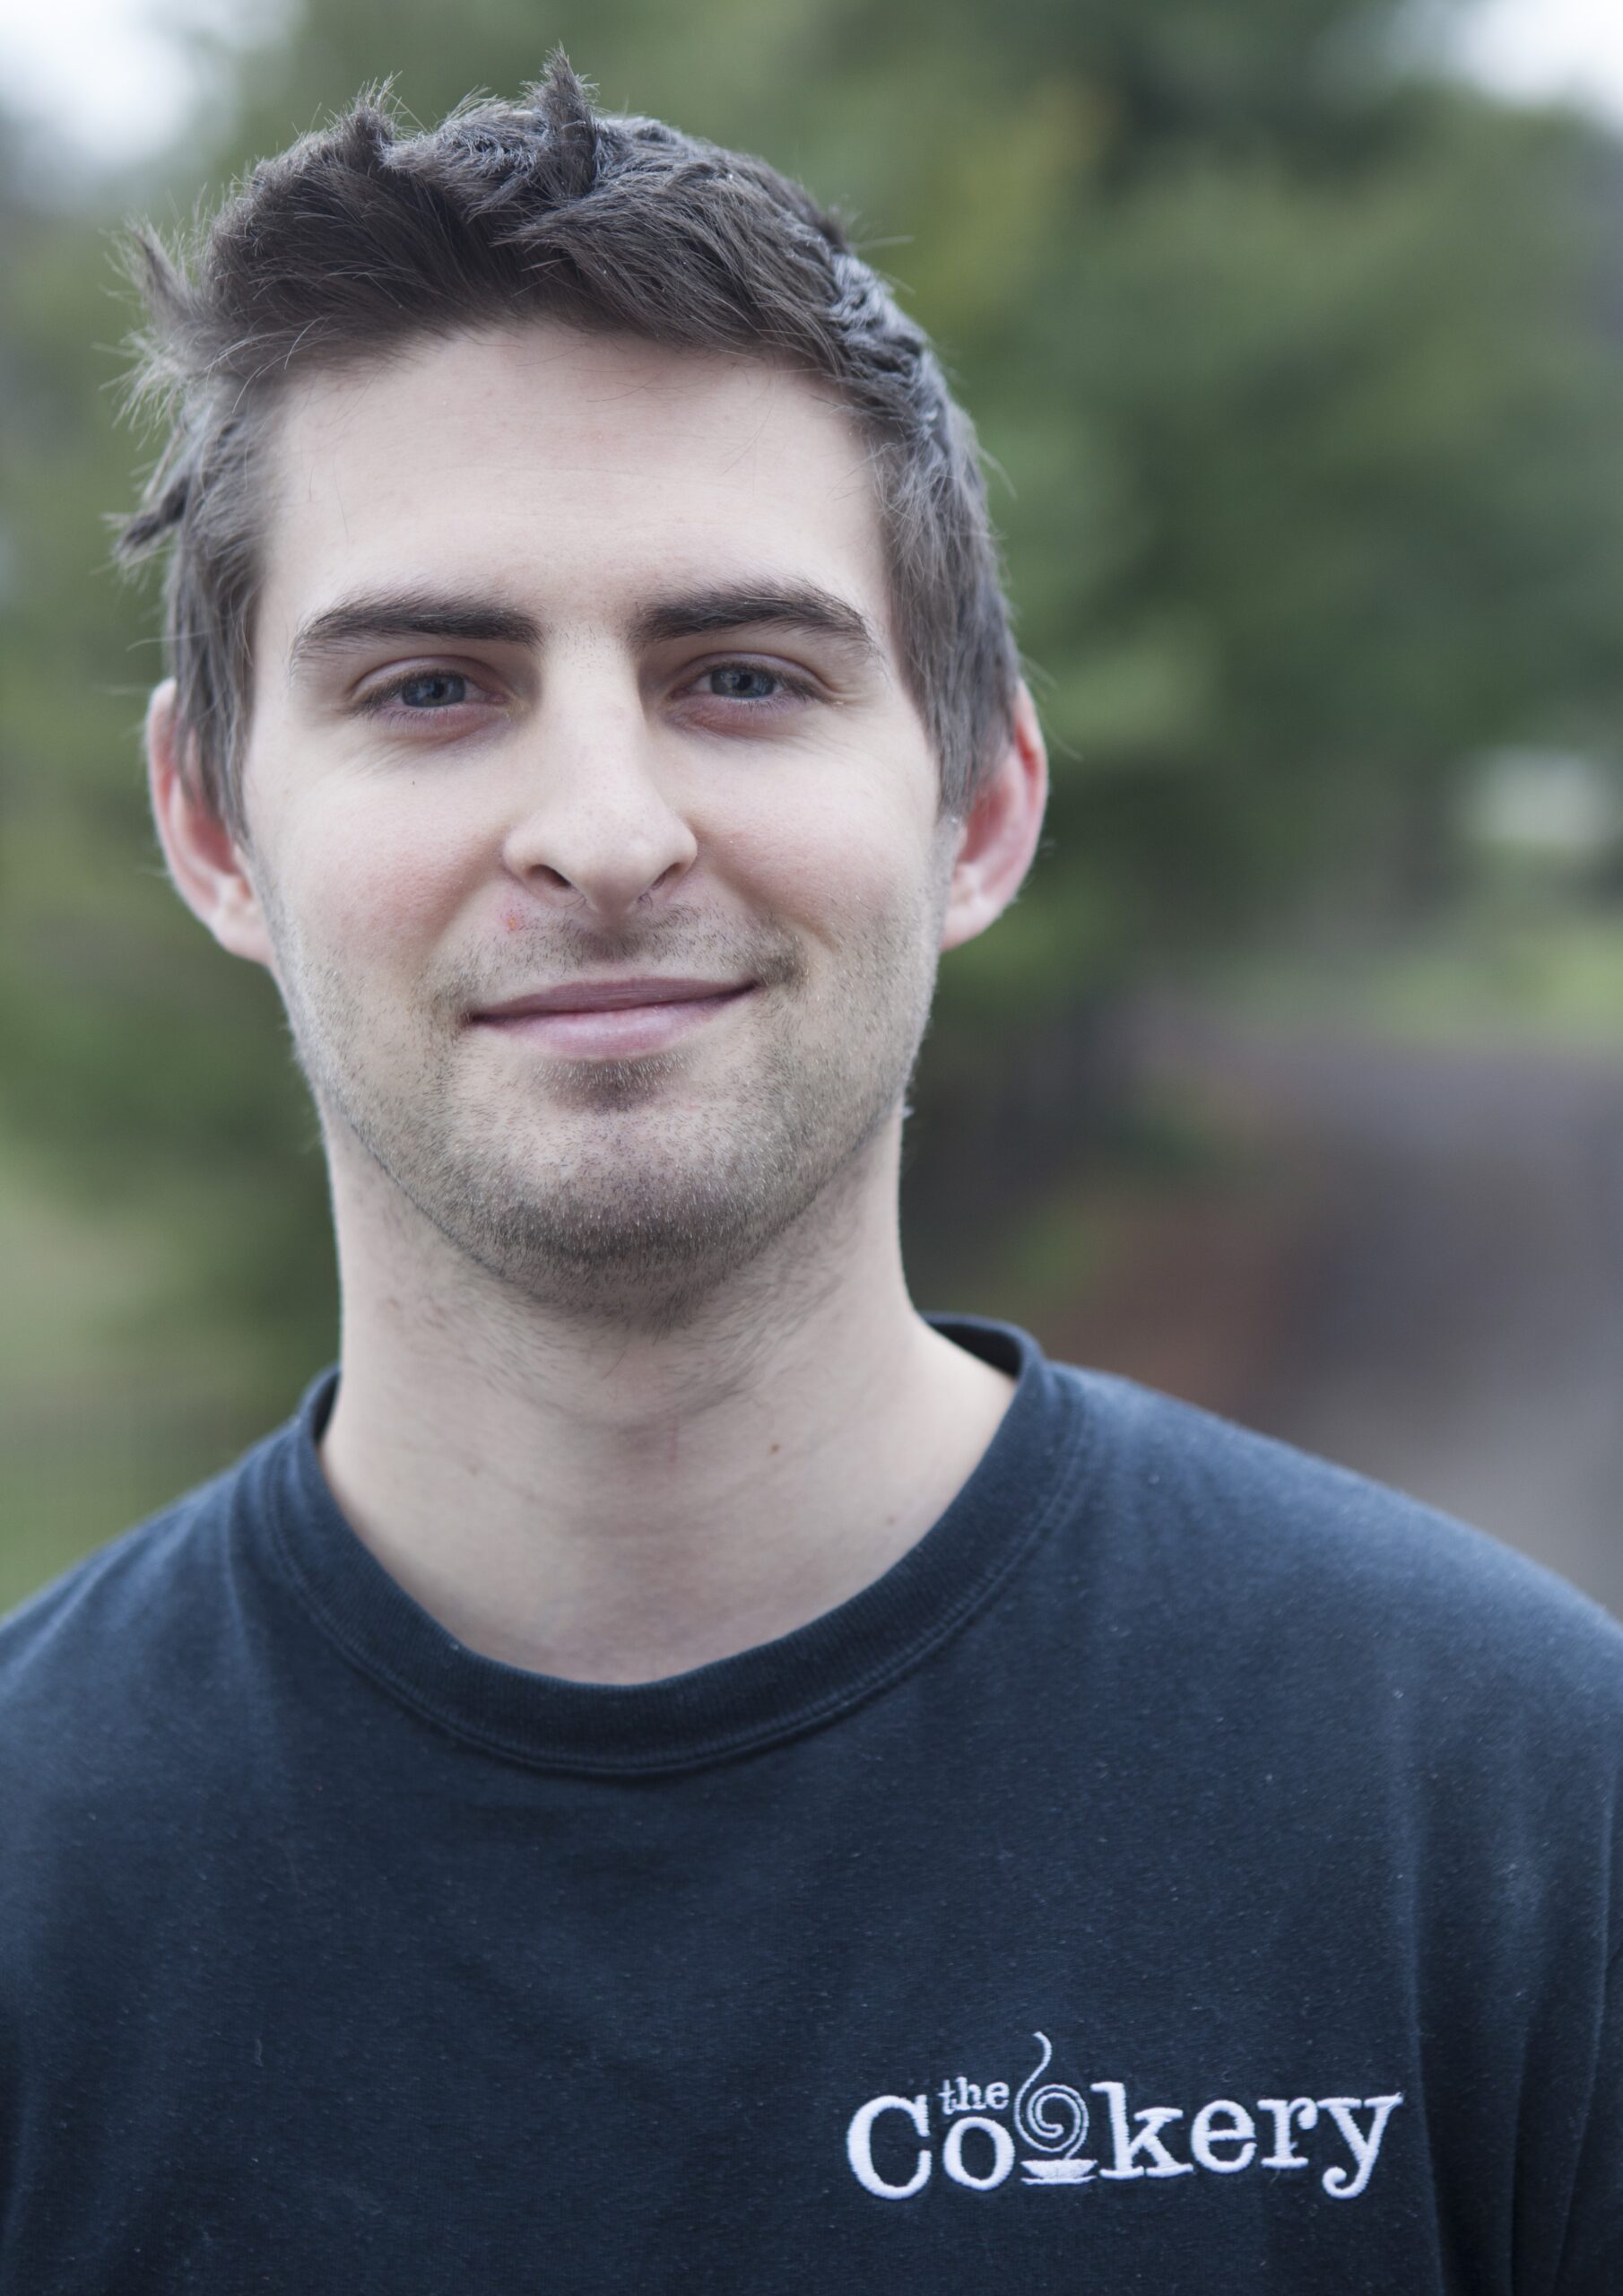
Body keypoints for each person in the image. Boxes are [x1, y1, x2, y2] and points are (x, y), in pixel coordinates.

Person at [1, 56, 1619, 2292]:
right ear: (209, 821)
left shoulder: (1511, 1806)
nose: (603, 831)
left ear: (977, 808)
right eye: (432, 686)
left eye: (741, 674)